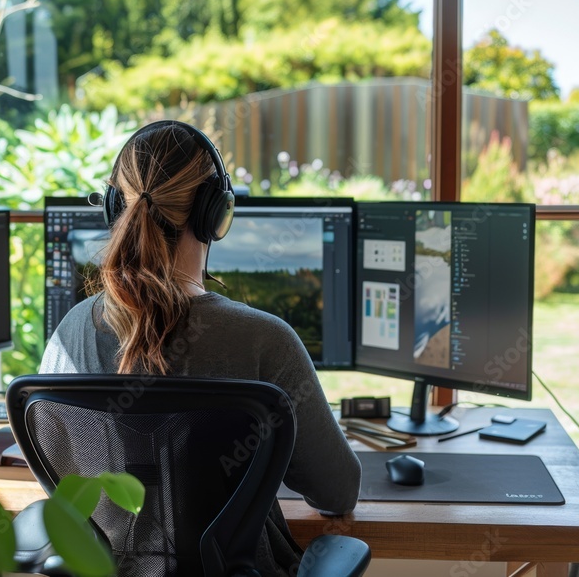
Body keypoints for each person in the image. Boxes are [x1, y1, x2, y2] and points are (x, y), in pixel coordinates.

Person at [39, 120, 360, 576]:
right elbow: (338, 492)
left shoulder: (69, 333)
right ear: (216, 214)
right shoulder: (266, 342)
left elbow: (59, 477)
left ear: (115, 208)